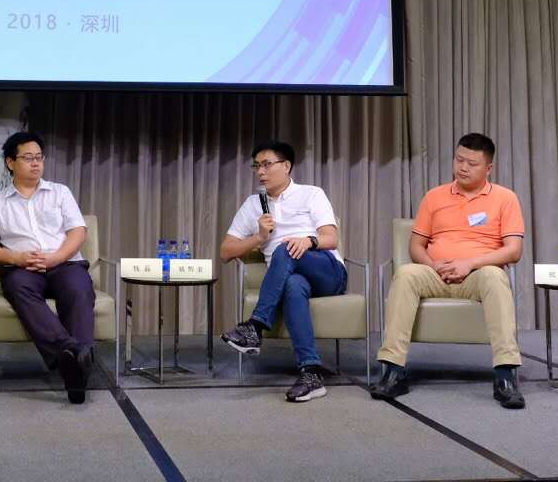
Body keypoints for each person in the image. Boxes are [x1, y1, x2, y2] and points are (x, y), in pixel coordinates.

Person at [370, 132, 525, 409]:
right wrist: (432, 265)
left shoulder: (506, 198)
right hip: (436, 273)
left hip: (478, 274)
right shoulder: (434, 196)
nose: (462, 167)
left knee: (495, 276)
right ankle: (394, 371)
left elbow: (513, 251)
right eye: (458, 160)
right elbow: (416, 246)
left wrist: (470, 263)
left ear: (488, 168)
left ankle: (505, 376)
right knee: (406, 274)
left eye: (472, 164)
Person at [219, 139, 347, 403]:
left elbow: (331, 238)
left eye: (267, 165)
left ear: (286, 166)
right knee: (292, 285)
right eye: (256, 166)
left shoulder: (311, 194)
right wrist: (259, 237)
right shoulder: (253, 204)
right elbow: (225, 252)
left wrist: (308, 241)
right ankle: (311, 373)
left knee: (284, 248)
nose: (260, 172)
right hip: (291, 277)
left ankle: (255, 326)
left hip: (326, 270)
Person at [0, 131, 96, 404]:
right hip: (23, 268)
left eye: (39, 158)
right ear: (10, 163)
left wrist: (57, 258)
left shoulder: (60, 192)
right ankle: (74, 351)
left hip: (64, 263)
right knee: (17, 287)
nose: (35, 163)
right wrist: (17, 257)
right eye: (28, 158)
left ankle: (74, 367)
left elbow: (78, 232)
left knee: (78, 288)